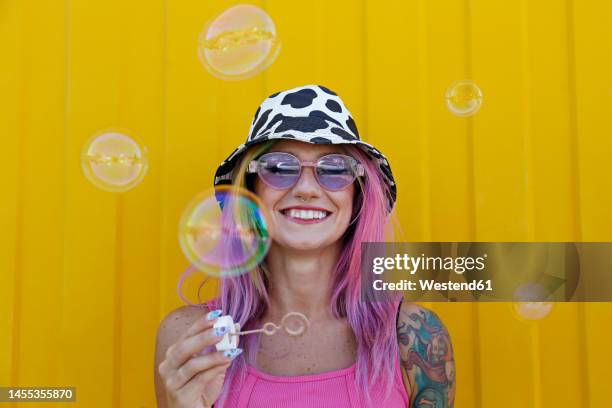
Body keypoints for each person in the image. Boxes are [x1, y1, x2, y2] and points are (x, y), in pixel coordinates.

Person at [154, 84, 456, 407]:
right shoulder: (192, 339)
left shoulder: (414, 339)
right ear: (251, 191)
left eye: (335, 169)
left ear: (357, 197)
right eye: (280, 167)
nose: (308, 189)